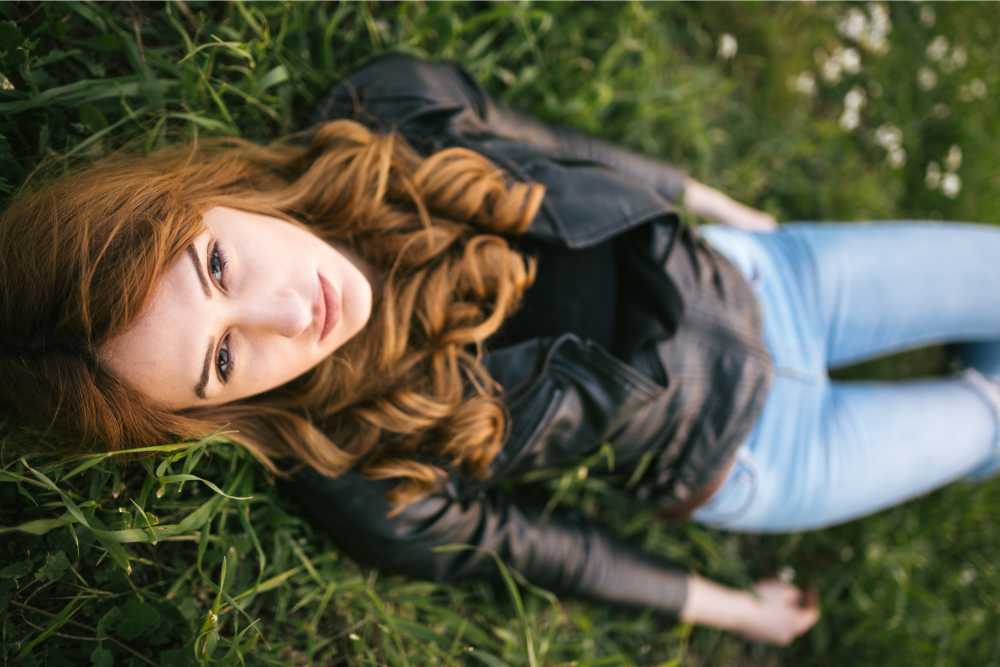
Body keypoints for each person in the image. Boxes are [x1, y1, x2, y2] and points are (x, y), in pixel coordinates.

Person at [3, 52, 1000, 646]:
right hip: (766, 454)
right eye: (221, 360)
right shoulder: (358, 469)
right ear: (217, 410)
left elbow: (562, 145)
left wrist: (718, 204)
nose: (279, 318)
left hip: (775, 278)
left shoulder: (385, 112)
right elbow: (546, 552)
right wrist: (738, 609)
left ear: (206, 196)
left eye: (215, 265)